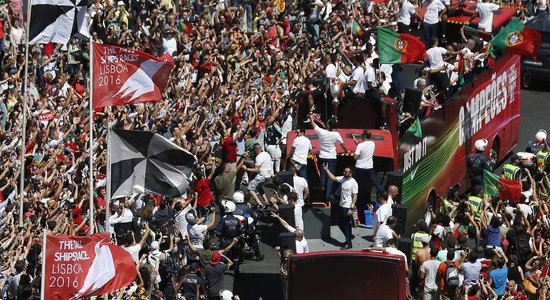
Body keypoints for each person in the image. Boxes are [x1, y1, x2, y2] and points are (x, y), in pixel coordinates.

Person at [310, 117, 348, 201]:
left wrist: (311, 115)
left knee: (323, 175)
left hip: (322, 157)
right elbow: (343, 145)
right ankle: (328, 197)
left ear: (328, 124)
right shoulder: (336, 134)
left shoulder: (322, 132)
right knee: (330, 177)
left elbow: (313, 124)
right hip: (331, 158)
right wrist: (346, 150)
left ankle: (323, 189)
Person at [322, 164, 358, 250]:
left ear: (350, 173)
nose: (344, 172)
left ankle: (348, 242)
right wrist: (326, 170)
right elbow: (334, 178)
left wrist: (351, 208)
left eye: (346, 172)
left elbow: (355, 196)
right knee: (339, 222)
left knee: (346, 224)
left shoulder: (353, 183)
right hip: (341, 205)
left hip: (347, 206)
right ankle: (348, 235)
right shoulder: (343, 179)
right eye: (344, 171)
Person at [352, 130, 385, 201]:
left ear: (363, 136)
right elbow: (364, 147)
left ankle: (338, 195)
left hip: (359, 168)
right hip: (369, 168)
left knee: (350, 180)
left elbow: (355, 157)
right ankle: (384, 194)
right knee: (376, 183)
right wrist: (356, 142)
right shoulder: (373, 144)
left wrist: (356, 152)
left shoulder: (360, 146)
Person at [245, 143, 274, 208]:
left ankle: (260, 204)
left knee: (250, 189)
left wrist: (247, 169)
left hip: (262, 175)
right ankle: (266, 201)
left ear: (256, 150)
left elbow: (256, 170)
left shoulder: (258, 157)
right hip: (268, 175)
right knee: (258, 187)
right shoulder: (266, 154)